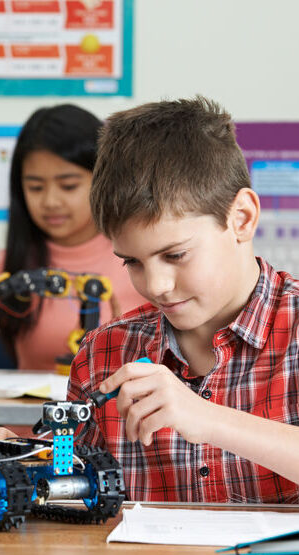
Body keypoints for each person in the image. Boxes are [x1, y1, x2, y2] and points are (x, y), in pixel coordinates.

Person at [68, 95, 299, 503]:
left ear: (241, 218)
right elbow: (66, 489)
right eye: (132, 263)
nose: (155, 285)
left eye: (175, 255)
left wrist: (208, 419)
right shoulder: (102, 355)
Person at [0, 104, 144, 371]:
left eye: (68, 186)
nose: (50, 201)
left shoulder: (141, 259)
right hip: (29, 412)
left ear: (104, 179)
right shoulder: (7, 268)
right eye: (35, 187)